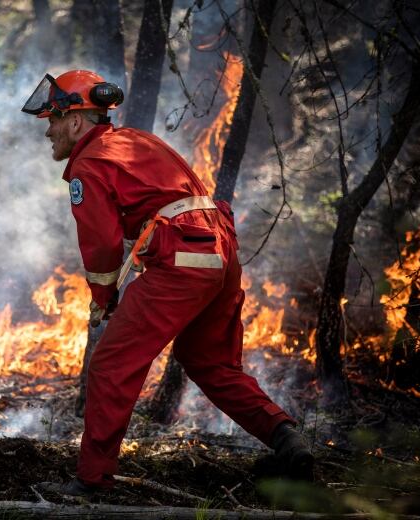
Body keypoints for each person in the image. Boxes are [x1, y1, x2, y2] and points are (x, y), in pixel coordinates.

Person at [22, 70, 314, 495]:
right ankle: (287, 439)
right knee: (209, 362)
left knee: (111, 364)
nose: (47, 131)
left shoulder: (89, 164)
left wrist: (104, 297)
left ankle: (92, 482)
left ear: (75, 120)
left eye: (52, 120)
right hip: (220, 251)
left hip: (183, 258)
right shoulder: (135, 141)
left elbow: (103, 246)